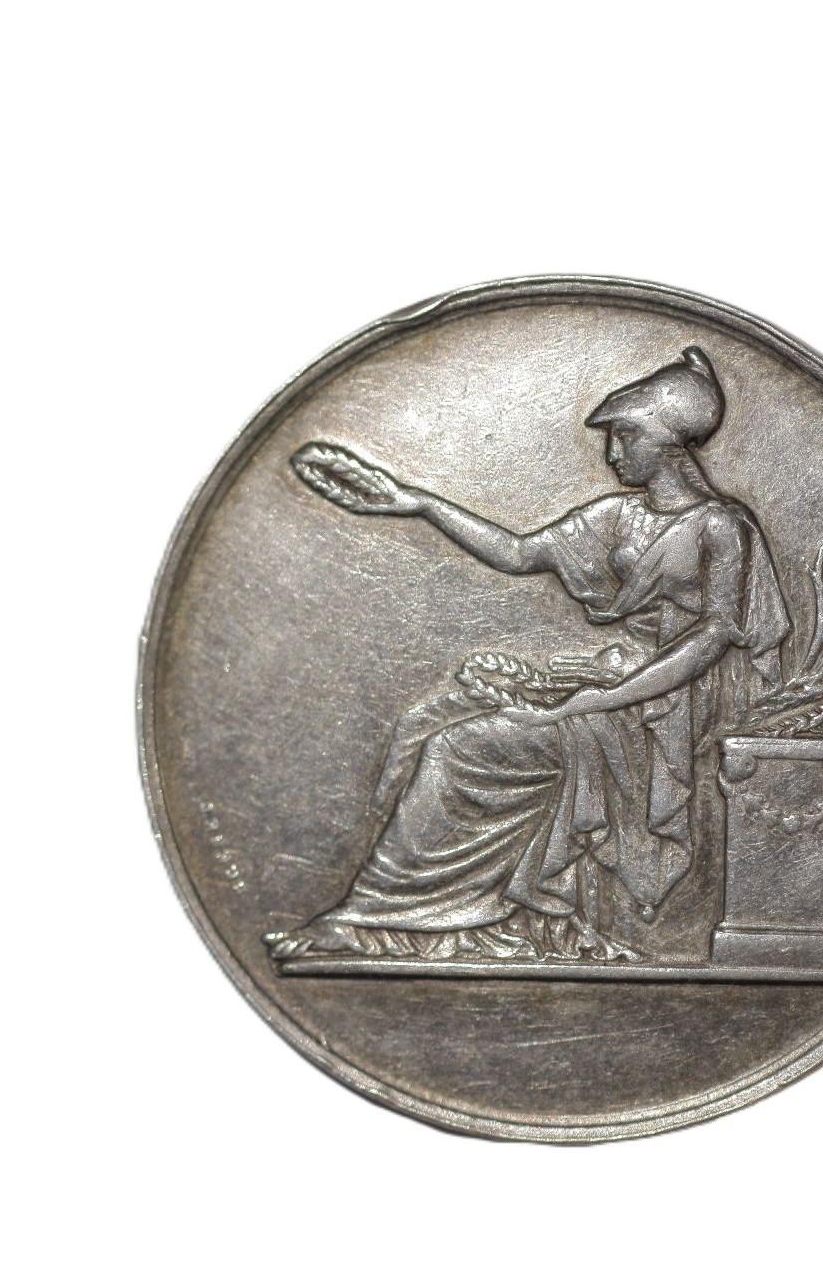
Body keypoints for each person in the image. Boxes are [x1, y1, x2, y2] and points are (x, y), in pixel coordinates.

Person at [266, 347, 790, 965]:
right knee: (423, 724)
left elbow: (712, 638)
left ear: (670, 441)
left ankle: (376, 920)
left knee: (458, 747)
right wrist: (418, 502)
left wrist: (595, 700)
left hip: (664, 715)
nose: (612, 453)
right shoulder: (616, 515)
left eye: (626, 436)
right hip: (607, 689)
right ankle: (440, 917)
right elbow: (518, 553)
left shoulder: (721, 526)